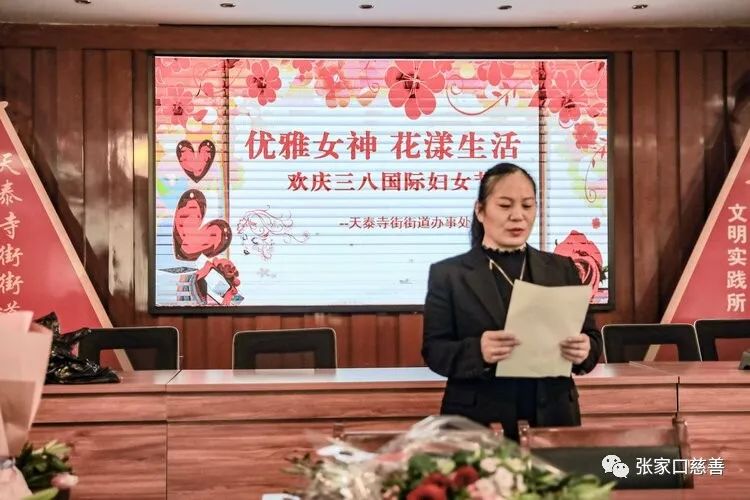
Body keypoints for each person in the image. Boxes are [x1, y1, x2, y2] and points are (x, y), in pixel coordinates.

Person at [421, 162, 602, 440]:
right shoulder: (449, 274)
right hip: (478, 420)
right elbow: (434, 350)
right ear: (480, 210)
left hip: (553, 416)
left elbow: (591, 338)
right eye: (505, 205)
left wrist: (584, 349)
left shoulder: (562, 268)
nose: (518, 216)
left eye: (527, 206)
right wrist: (477, 350)